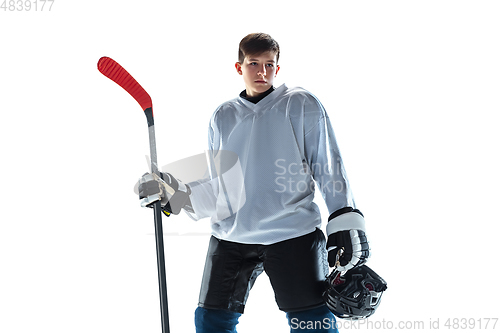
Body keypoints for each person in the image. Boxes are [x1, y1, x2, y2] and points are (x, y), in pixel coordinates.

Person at [139, 33, 370, 333]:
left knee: (312, 324)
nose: (262, 72)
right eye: (254, 64)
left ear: (277, 69)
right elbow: (219, 188)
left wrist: (344, 218)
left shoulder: (300, 104)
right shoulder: (223, 117)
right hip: (232, 237)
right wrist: (174, 196)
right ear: (239, 67)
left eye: (269, 65)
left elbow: (328, 166)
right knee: (210, 322)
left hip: (292, 233)